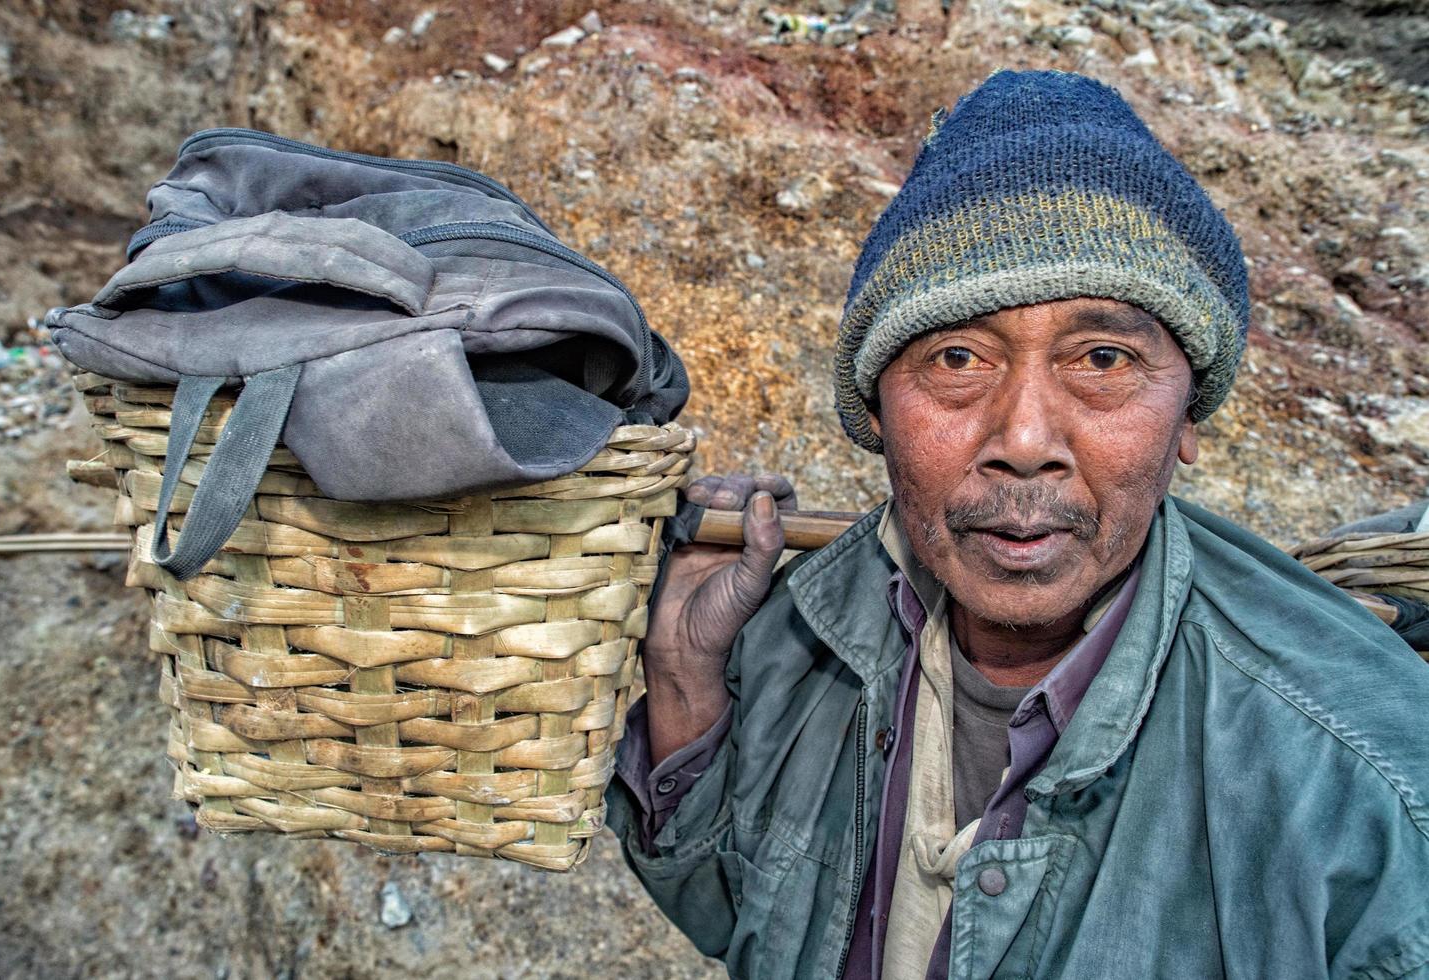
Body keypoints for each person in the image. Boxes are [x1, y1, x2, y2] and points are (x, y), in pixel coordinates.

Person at [605, 70, 1429, 979]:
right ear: (875, 409)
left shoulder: (1367, 790)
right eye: (958, 356)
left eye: (1103, 358)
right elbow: (735, 915)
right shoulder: (802, 631)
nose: (1026, 441)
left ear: (1189, 411)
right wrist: (683, 679)